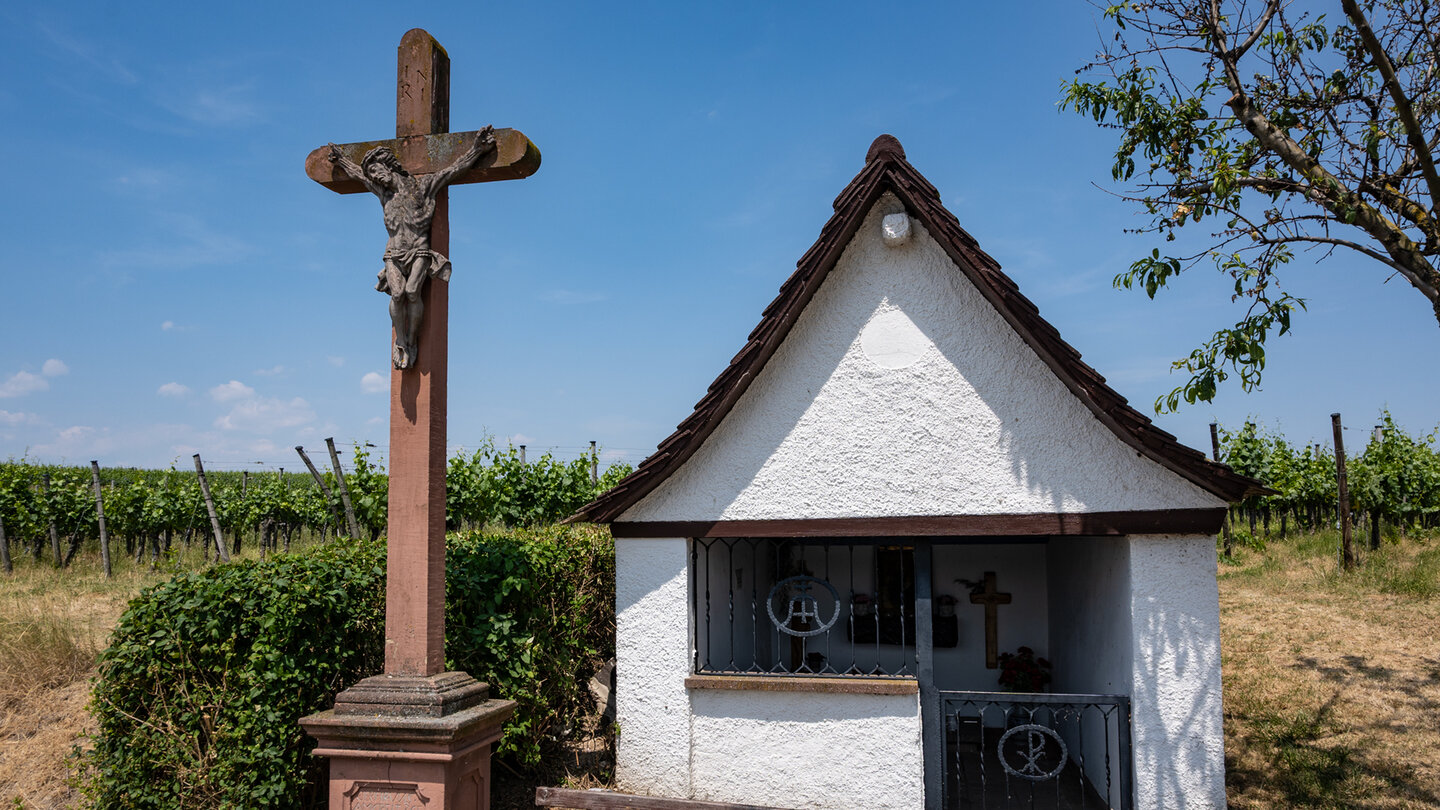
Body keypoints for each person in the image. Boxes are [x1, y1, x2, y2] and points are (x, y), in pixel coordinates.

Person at [328, 126, 496, 369]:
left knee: (412, 292)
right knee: (397, 294)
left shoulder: (423, 186)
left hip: (418, 250)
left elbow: (452, 170)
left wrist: (477, 149)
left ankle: (413, 339)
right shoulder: (384, 194)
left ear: (389, 166)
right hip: (393, 254)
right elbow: (358, 175)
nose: (375, 177)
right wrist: (342, 160)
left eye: (377, 171)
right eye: (372, 174)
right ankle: (402, 340)